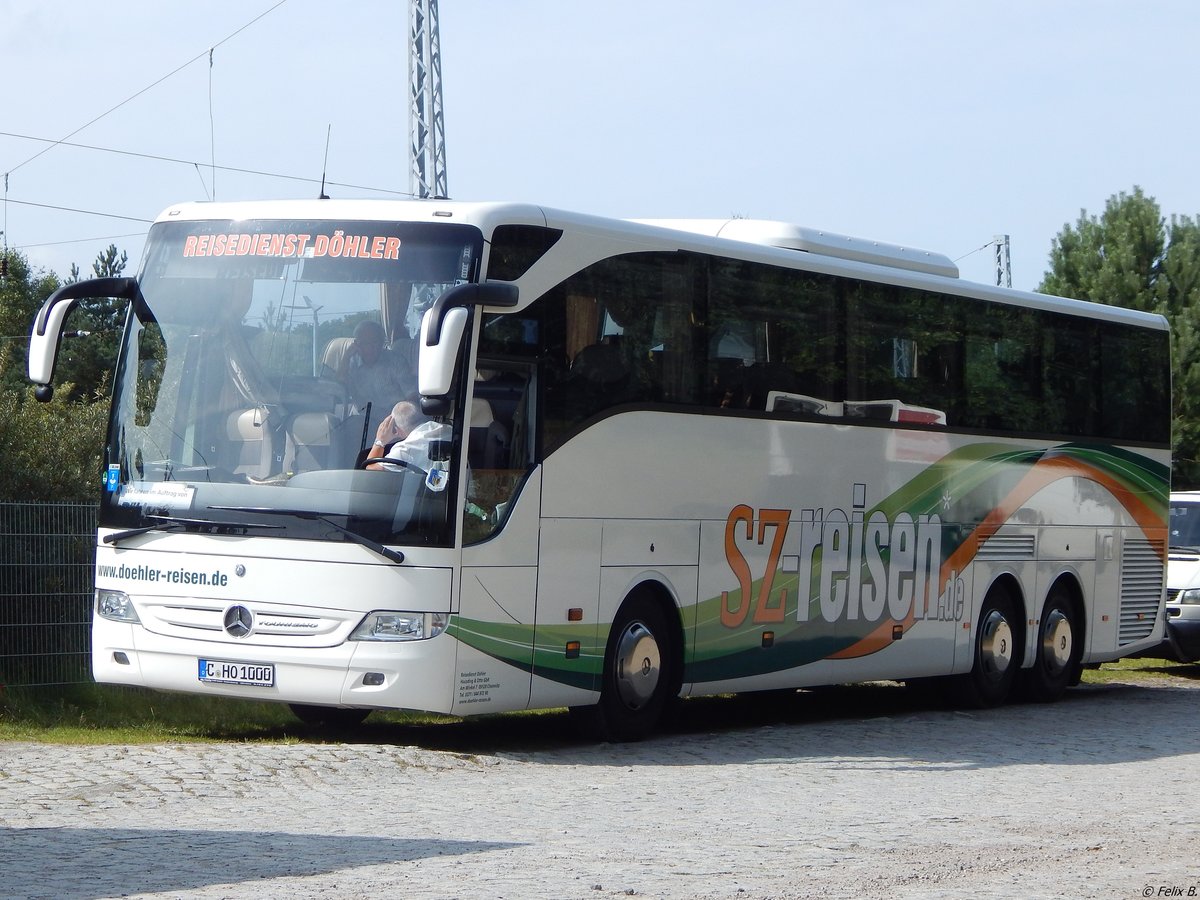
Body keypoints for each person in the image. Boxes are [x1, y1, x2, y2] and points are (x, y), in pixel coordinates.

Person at [337, 320, 415, 433]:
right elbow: (338, 390)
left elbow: (411, 397)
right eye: (365, 343)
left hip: (394, 424)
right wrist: (346, 357)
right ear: (356, 344)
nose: (371, 348)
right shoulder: (350, 363)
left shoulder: (396, 362)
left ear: (382, 343)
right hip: (362, 423)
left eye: (375, 342)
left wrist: (406, 428)